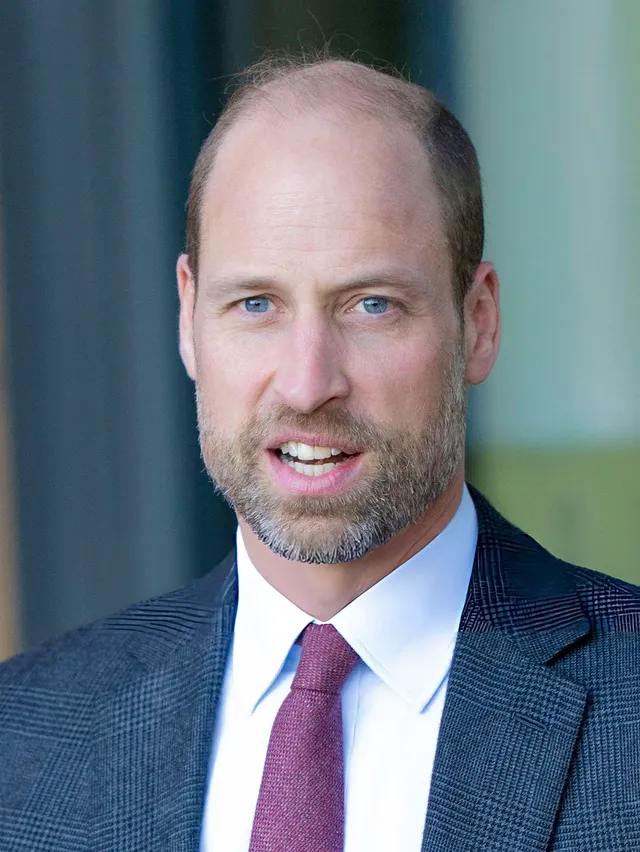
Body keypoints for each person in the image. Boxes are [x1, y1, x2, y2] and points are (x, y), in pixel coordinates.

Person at [0, 53, 638, 852]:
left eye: (372, 305)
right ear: (189, 315)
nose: (307, 385)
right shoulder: (23, 739)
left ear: (477, 322)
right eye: (256, 304)